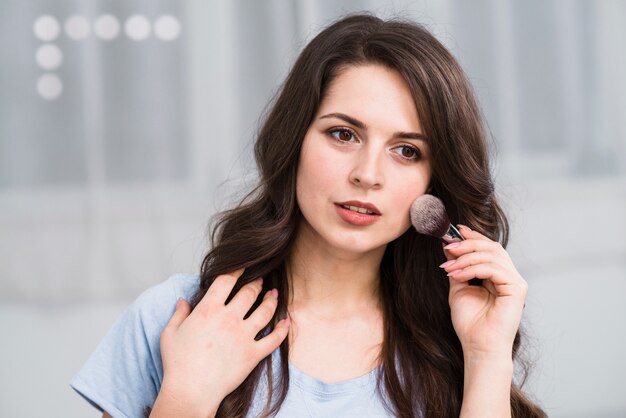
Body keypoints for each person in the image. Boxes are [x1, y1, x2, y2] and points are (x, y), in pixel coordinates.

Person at [71, 13, 547, 418]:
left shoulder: (453, 341)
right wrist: (187, 397)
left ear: (433, 184)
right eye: (343, 135)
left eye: (406, 151)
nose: (368, 174)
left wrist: (486, 355)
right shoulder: (174, 320)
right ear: (294, 139)